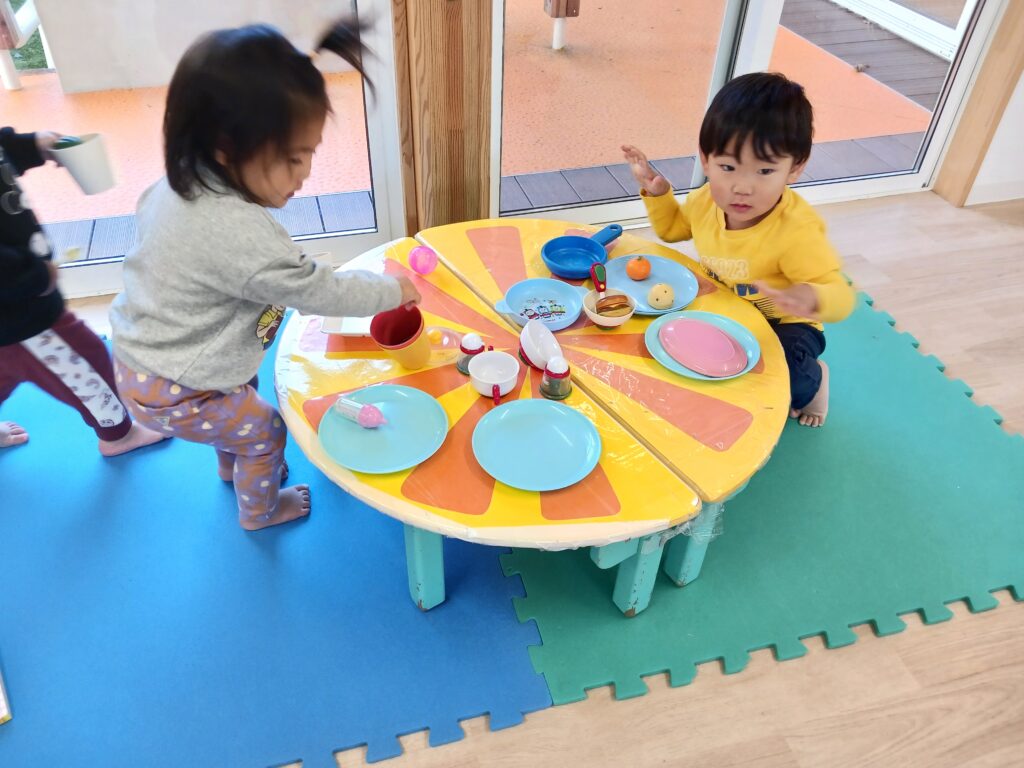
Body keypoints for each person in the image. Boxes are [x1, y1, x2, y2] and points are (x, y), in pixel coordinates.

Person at [109, 19, 421, 531]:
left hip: (150, 357)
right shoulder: (237, 234)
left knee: (244, 397)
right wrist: (391, 290)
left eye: (310, 154)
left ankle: (230, 463)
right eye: (294, 159)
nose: (305, 174)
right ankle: (261, 510)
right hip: (179, 386)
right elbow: (319, 291)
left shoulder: (176, 184)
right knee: (266, 432)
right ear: (227, 148)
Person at [622, 72, 855, 427]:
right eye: (728, 167)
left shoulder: (797, 230)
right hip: (727, 306)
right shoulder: (705, 200)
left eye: (764, 171)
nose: (742, 187)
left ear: (795, 169)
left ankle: (815, 384)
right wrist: (659, 195)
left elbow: (841, 295)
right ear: (706, 159)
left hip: (784, 323)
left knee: (784, 375)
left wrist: (812, 297)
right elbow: (673, 230)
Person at [0, 126, 167, 454]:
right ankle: (119, 435)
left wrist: (28, 146)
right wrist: (33, 276)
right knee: (87, 361)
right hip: (22, 312)